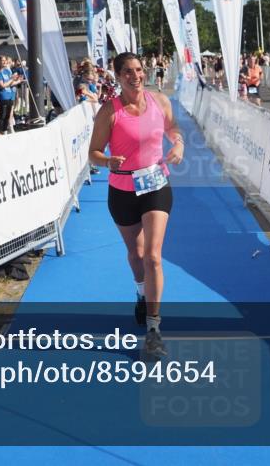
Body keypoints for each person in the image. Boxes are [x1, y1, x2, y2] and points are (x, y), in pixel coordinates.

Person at [88, 53, 184, 361]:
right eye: (128, 71)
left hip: (156, 184)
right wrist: (107, 161)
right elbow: (93, 153)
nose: (136, 76)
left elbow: (173, 129)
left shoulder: (159, 102)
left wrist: (178, 143)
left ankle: (154, 331)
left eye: (139, 70)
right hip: (122, 189)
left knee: (154, 256)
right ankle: (141, 292)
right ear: (118, 76)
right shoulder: (109, 111)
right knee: (137, 255)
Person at [0, 55, 20, 135]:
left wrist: (18, 81)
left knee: (8, 115)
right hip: (2, 96)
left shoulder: (7, 71)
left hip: (9, 95)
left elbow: (10, 84)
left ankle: (3, 131)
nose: (5, 62)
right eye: (2, 60)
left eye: (5, 60)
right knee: (2, 114)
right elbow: (2, 85)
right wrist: (12, 79)